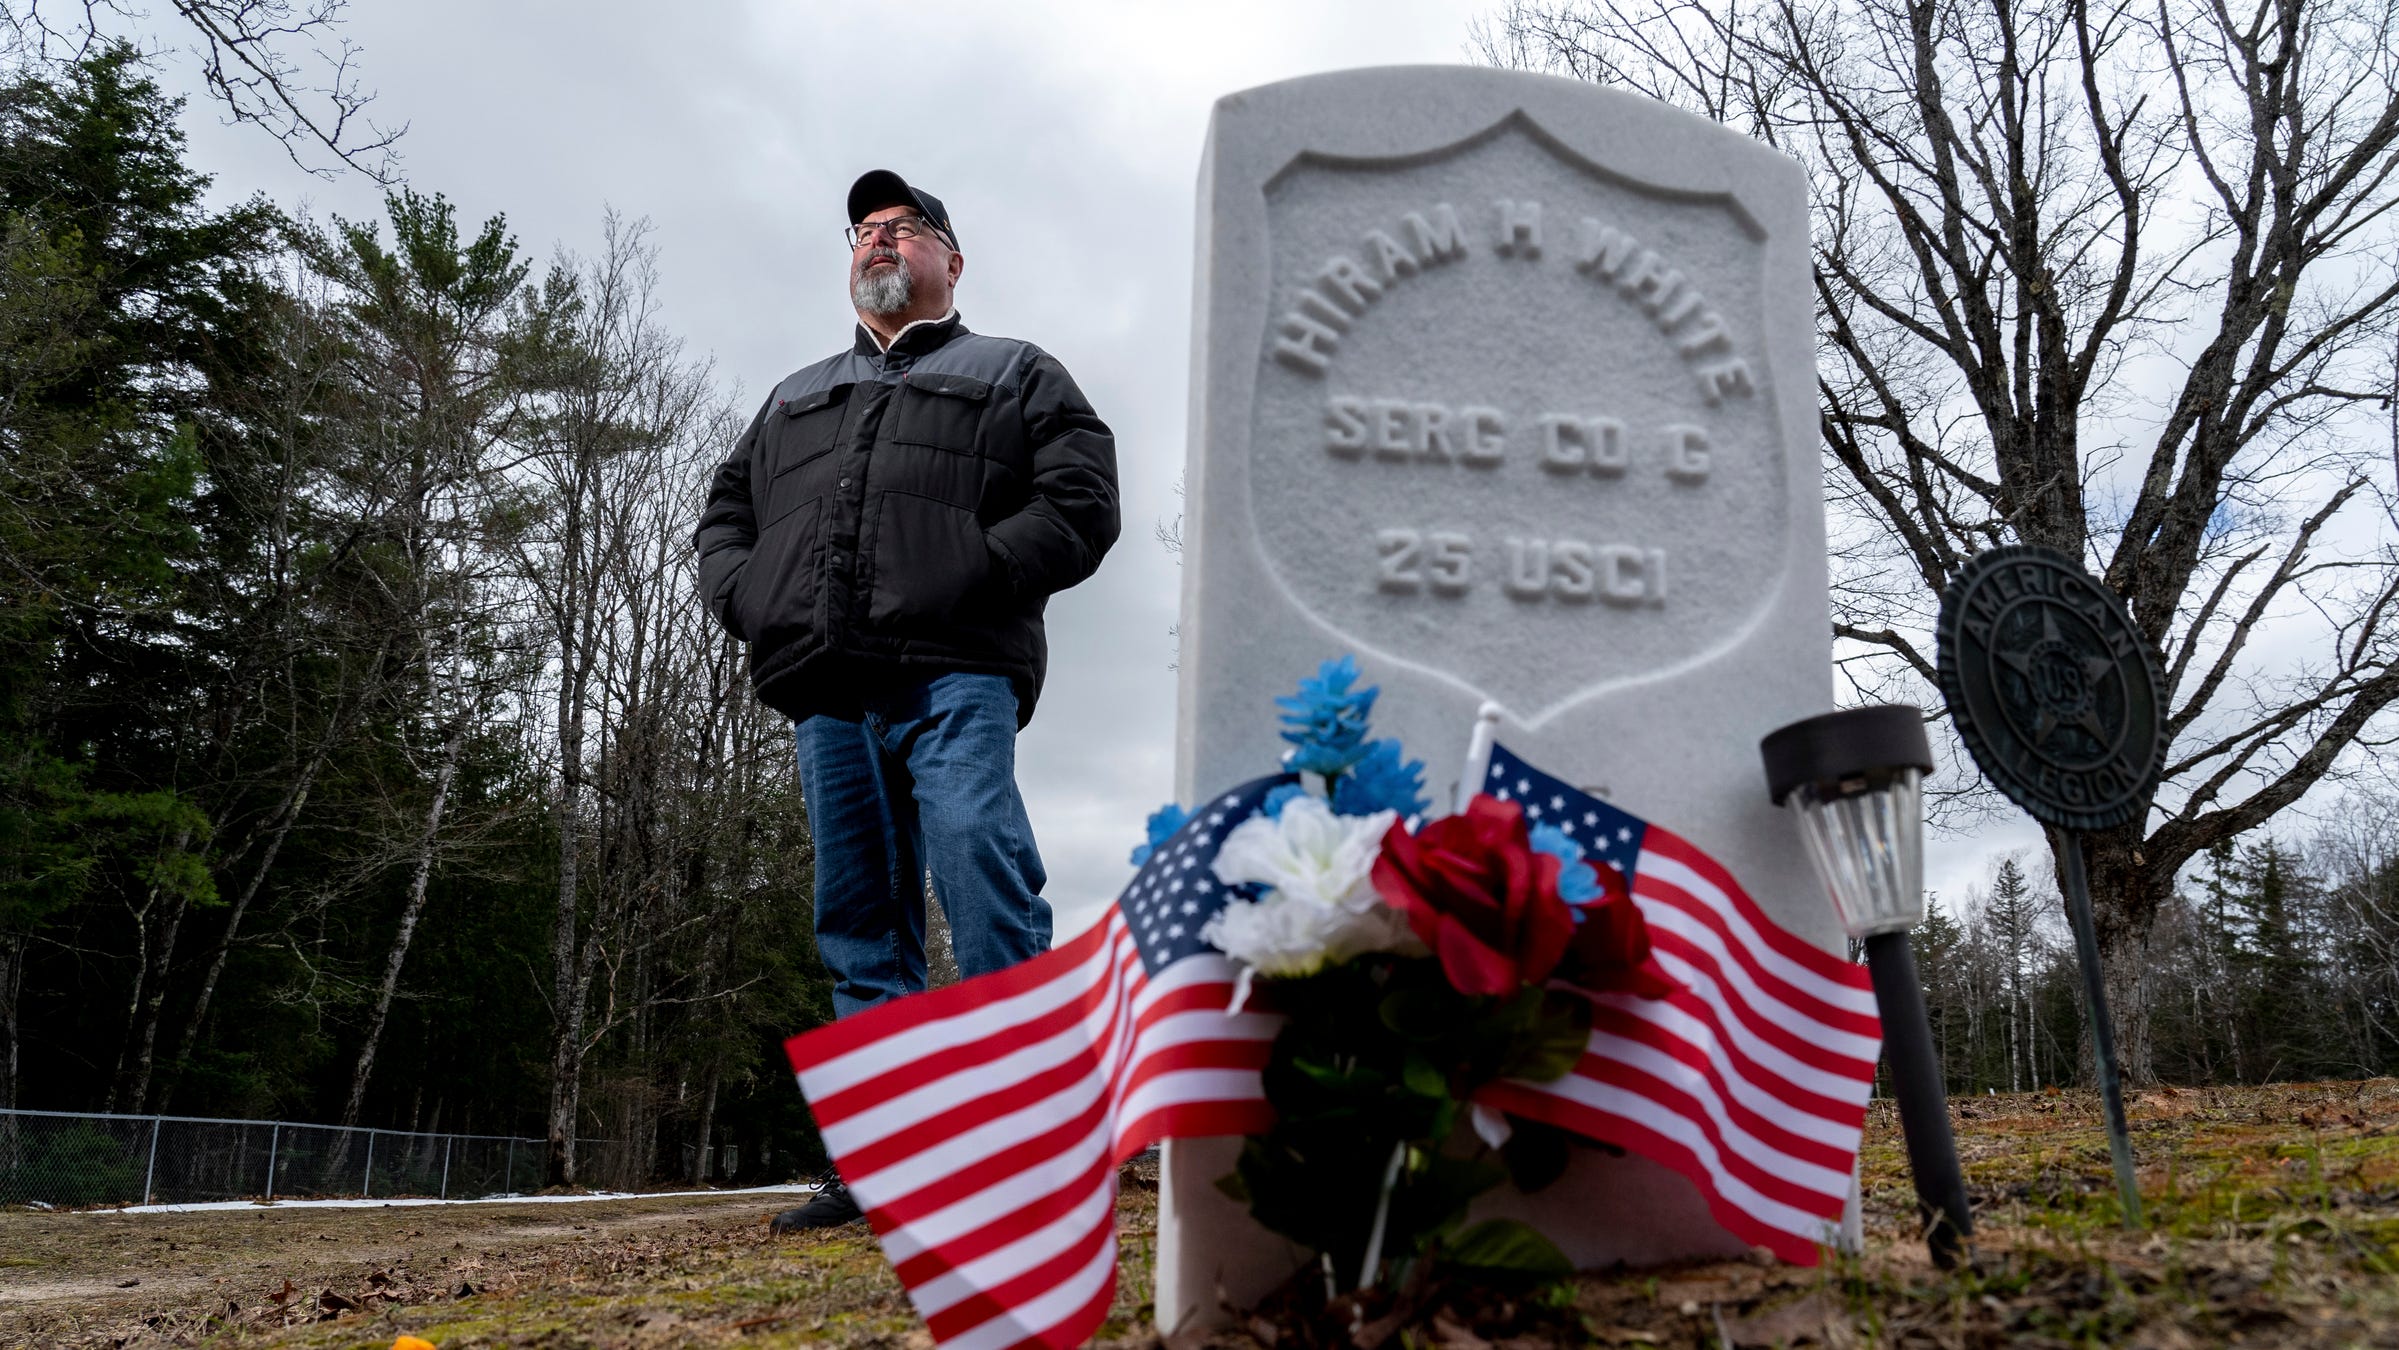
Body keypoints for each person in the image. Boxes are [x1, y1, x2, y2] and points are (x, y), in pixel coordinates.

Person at [695, 171, 1119, 1230]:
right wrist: (752, 599)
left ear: (950, 260)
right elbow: (724, 517)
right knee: (855, 918)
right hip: (828, 685)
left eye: (905, 229)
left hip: (954, 668)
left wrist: (971, 569)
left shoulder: (1013, 370)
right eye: (866, 231)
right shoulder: (792, 397)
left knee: (977, 864)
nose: (880, 243)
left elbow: (1080, 498)